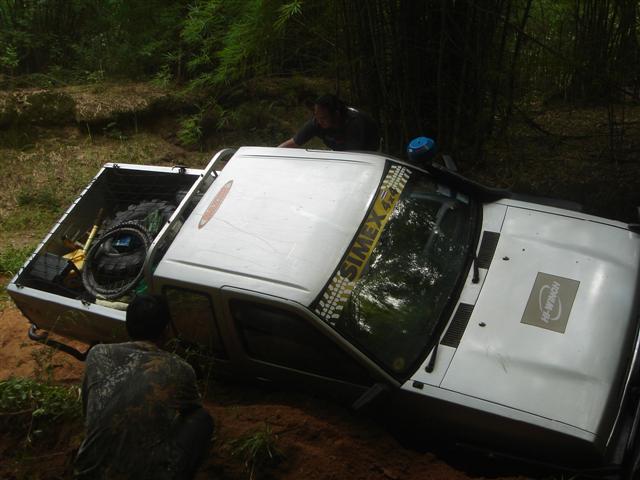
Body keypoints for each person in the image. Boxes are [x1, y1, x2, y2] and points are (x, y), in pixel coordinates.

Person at [74, 294, 213, 480]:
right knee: (202, 419)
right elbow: (188, 413)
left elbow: (89, 410)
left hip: (87, 474)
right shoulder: (179, 368)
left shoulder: (98, 355)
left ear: (127, 325)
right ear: (166, 330)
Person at [279, 94, 380, 151]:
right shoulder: (317, 122)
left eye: (323, 118)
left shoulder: (354, 123)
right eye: (316, 117)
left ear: (336, 114)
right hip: (342, 151)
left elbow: (353, 157)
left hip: (368, 152)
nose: (319, 122)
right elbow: (293, 142)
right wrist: (274, 155)